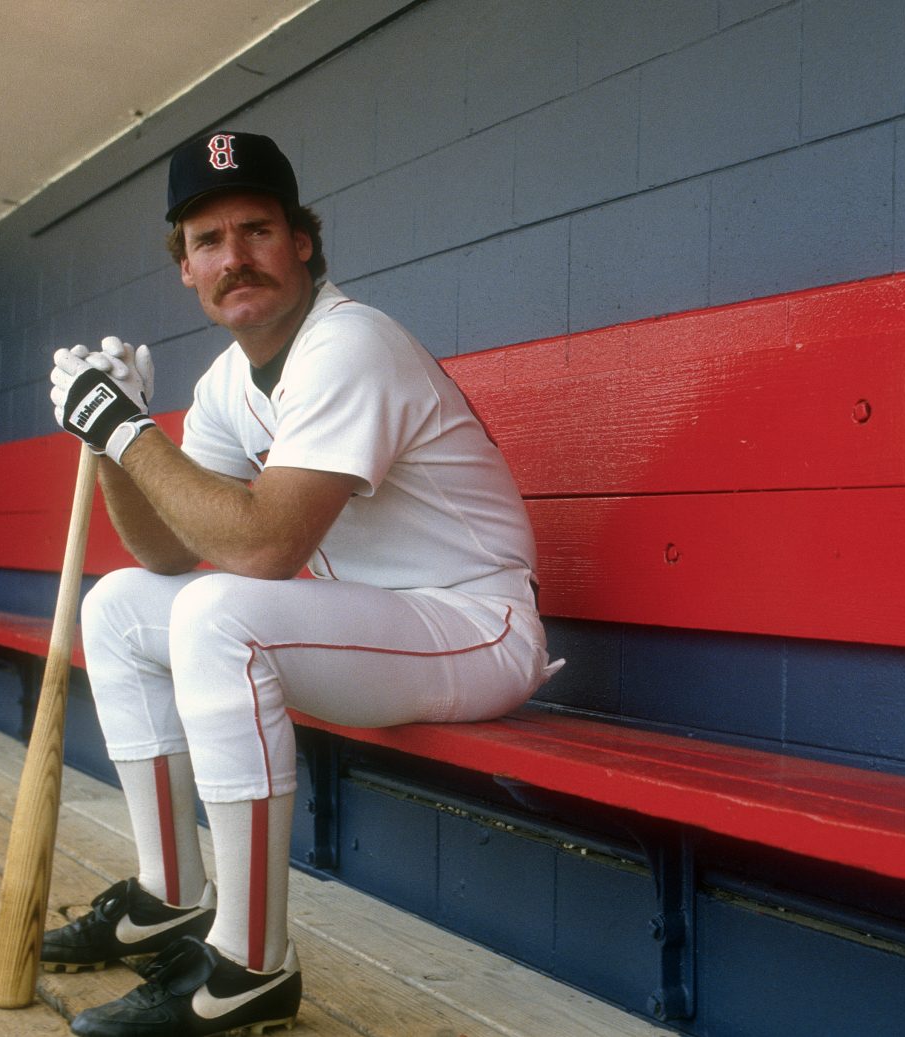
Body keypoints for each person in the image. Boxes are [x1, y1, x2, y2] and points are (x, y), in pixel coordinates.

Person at [43, 130, 559, 1037]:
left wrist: (128, 432)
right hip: (372, 624)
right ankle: (168, 894)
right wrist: (114, 440)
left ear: (303, 242)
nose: (233, 257)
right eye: (208, 241)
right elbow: (165, 551)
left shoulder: (351, 342)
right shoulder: (227, 382)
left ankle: (249, 964)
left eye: (256, 230)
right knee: (118, 605)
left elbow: (266, 546)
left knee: (220, 615)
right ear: (186, 268)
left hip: (475, 624)